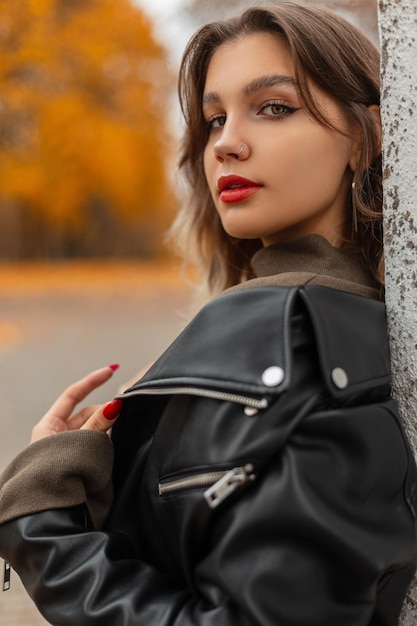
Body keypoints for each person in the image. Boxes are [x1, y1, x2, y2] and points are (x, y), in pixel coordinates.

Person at [0, 3, 416, 625]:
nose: (227, 143)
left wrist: (45, 528)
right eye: (215, 118)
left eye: (274, 106)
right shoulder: (336, 327)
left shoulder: (304, 338)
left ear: (365, 137)